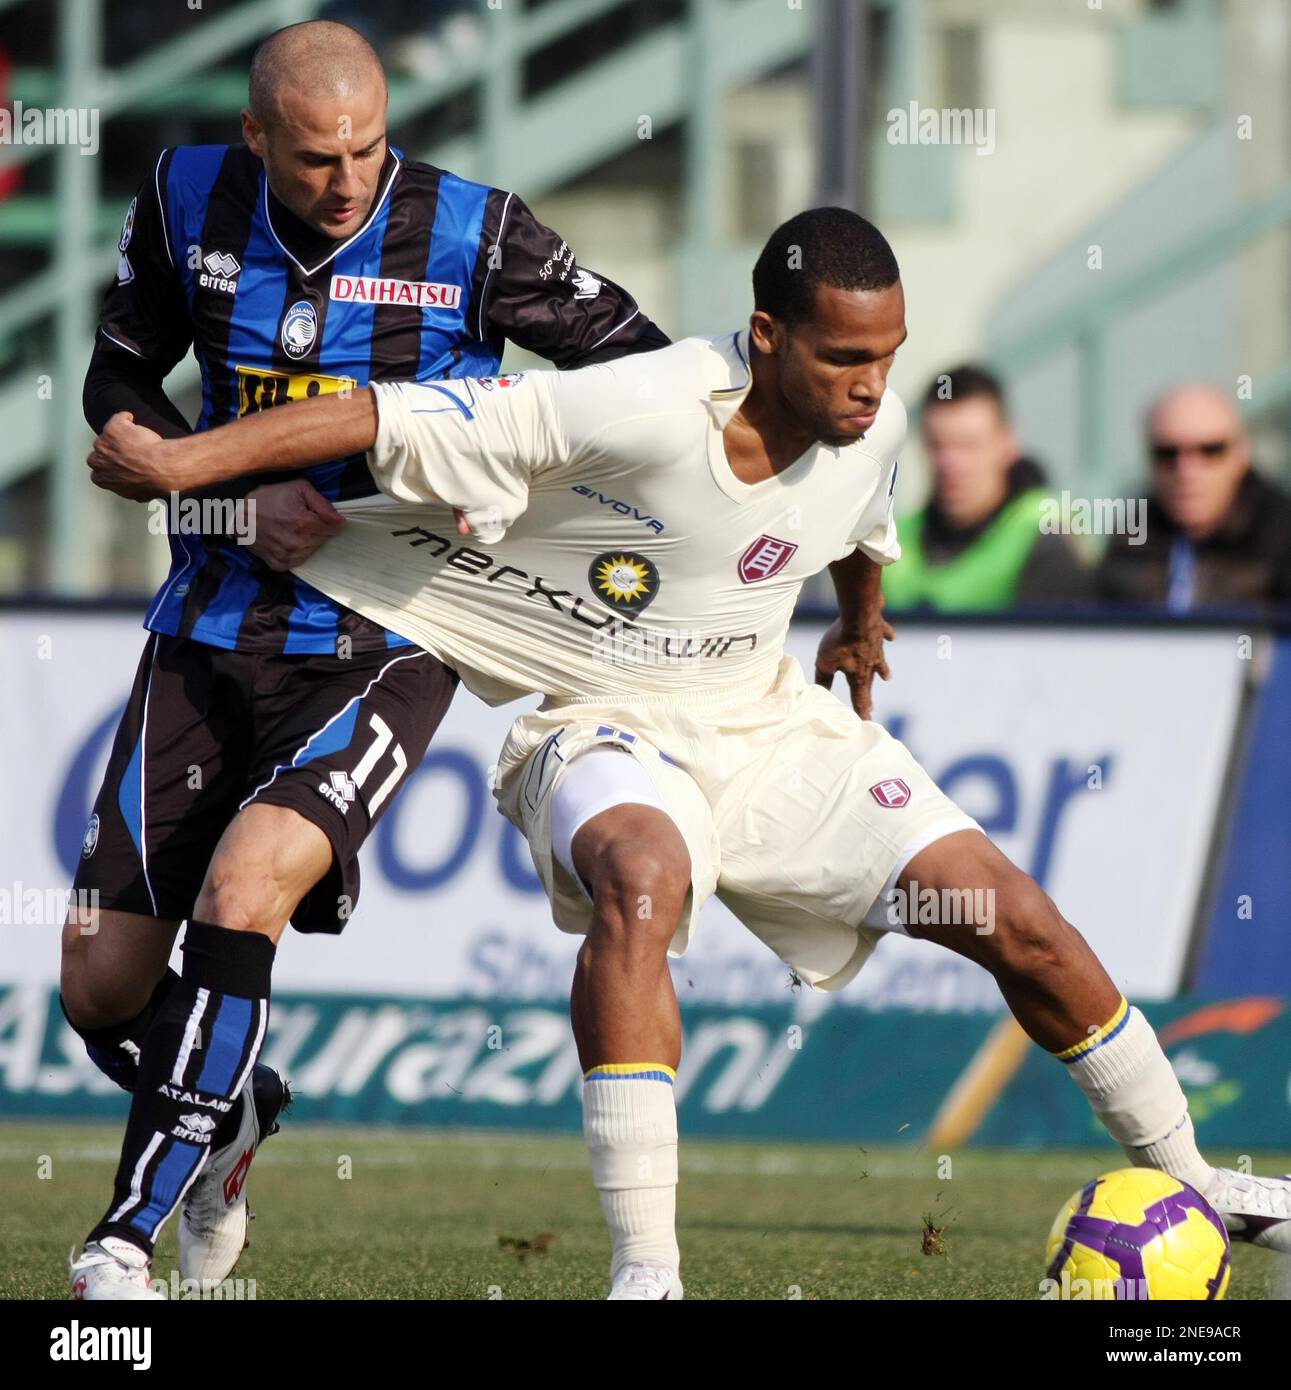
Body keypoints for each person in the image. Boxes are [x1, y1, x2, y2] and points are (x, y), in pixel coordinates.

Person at [89, 207, 1291, 1302]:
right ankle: (648, 1275)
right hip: (601, 726)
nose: (875, 387)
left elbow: (861, 523)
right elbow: (374, 415)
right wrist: (179, 466)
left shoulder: (865, 419)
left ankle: (1191, 1176)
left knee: (1015, 917)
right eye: (843, 358)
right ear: (765, 337)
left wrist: (861, 622)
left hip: (768, 725)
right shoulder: (640, 403)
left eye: (889, 355)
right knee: (641, 879)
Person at [65, 18, 668, 1300]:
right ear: (254, 137)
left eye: (368, 149)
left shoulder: (479, 234)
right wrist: (229, 505)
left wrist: (525, 499)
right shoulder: (185, 199)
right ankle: (224, 1114)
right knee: (98, 986)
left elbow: (649, 387)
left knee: (245, 893)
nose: (346, 182)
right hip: (207, 622)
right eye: (314, 160)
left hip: (385, 638)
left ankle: (121, 1244)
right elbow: (118, 384)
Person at [883, 364, 1088, 610]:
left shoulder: (1044, 534)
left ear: (1008, 444)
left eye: (967, 445)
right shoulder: (891, 536)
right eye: (937, 445)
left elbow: (1049, 644)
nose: (949, 462)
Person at [1098, 384, 1291, 611]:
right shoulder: (1131, 538)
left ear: (1242, 454)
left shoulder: (1281, 537)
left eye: (1211, 450)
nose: (1187, 470)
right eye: (1167, 453)